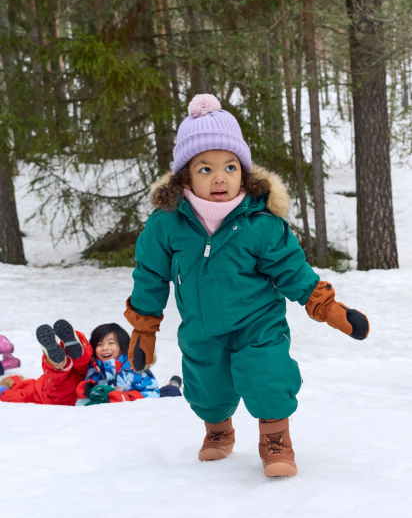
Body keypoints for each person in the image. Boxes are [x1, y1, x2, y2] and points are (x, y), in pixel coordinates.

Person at [124, 93, 370, 478]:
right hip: (202, 326)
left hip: (259, 323)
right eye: (205, 169)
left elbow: (292, 270)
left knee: (269, 374)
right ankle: (217, 431)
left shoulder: (261, 223)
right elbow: (150, 275)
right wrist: (144, 328)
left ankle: (276, 441)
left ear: (244, 171)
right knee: (206, 387)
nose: (219, 177)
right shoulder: (166, 224)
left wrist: (326, 306)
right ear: (185, 175)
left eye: (230, 166)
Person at [0, 320, 181, 405]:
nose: (104, 348)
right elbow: (86, 385)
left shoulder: (135, 370)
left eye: (111, 343)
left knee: (68, 373)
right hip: (54, 387)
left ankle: (64, 356)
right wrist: (86, 389)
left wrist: (119, 396)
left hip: (56, 388)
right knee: (80, 363)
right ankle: (68, 353)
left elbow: (152, 394)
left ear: (123, 348)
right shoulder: (96, 367)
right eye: (100, 344)